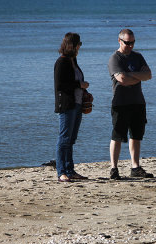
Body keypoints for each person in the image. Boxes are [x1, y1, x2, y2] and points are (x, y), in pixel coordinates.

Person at [107, 29, 153, 180]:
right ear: (120, 41)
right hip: (120, 103)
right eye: (127, 43)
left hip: (138, 102)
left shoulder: (138, 57)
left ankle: (135, 167)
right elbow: (122, 80)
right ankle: (114, 168)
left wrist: (131, 75)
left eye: (133, 42)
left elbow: (148, 75)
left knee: (136, 135)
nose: (130, 45)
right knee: (118, 136)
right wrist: (138, 76)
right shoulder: (115, 58)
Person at [54, 32, 90, 182]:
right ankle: (61, 171)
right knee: (64, 139)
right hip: (67, 105)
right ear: (72, 45)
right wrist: (79, 85)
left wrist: (85, 90)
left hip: (77, 103)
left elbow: (75, 81)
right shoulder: (61, 62)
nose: (80, 47)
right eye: (78, 44)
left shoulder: (72, 60)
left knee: (71, 139)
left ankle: (70, 170)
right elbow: (60, 85)